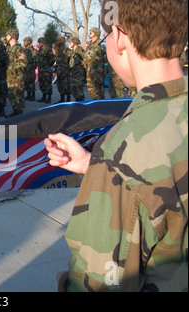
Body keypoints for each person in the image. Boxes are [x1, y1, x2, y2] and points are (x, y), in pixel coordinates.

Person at [45, 0, 188, 292]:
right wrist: (93, 165)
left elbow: (99, 284)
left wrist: (67, 284)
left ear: (120, 35)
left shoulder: (123, 151)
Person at [4, 29, 28, 118]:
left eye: (7, 35)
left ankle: (19, 113)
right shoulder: (9, 48)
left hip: (17, 76)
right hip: (10, 76)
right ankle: (15, 111)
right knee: (11, 94)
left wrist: (14, 68)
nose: (6, 37)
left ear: (12, 36)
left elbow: (23, 62)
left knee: (18, 95)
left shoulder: (18, 48)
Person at [84, 27, 106, 100]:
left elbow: (106, 57)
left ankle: (101, 107)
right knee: (91, 90)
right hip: (90, 71)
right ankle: (95, 105)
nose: (89, 34)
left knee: (98, 91)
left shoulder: (101, 44)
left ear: (96, 34)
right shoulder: (89, 45)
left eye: (91, 33)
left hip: (98, 71)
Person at [35, 37, 55, 104]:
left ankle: (49, 98)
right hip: (41, 69)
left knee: (47, 83)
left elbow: (52, 58)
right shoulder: (40, 49)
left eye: (40, 42)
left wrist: (48, 65)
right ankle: (43, 96)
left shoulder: (48, 49)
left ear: (43, 43)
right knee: (42, 83)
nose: (39, 44)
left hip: (46, 69)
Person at [68, 37, 86, 101]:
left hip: (79, 73)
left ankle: (81, 104)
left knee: (79, 89)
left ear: (75, 43)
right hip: (73, 72)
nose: (69, 43)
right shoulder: (72, 51)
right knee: (73, 88)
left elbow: (85, 60)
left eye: (71, 42)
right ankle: (77, 101)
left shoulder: (80, 50)